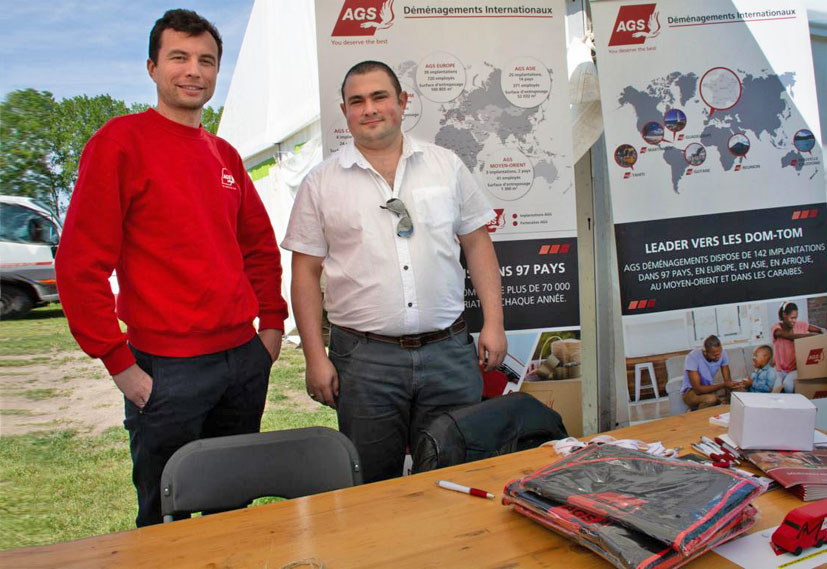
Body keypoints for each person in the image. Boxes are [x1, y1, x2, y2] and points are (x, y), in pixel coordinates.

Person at [55, 9, 287, 527]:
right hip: (165, 368)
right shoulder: (119, 142)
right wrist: (120, 365)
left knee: (232, 508)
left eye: (206, 60)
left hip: (242, 362)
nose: (193, 70)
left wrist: (270, 327)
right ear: (152, 68)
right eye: (178, 57)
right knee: (165, 516)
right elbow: (79, 264)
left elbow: (258, 248)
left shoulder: (224, 154)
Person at [283, 60, 507, 483]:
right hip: (365, 363)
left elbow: (477, 243)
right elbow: (305, 273)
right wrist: (314, 356)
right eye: (357, 101)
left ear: (403, 102)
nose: (369, 108)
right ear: (345, 111)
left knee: (454, 477)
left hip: (449, 355)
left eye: (379, 97)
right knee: (370, 486)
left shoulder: (447, 166)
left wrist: (494, 323)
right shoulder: (321, 183)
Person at [772, 302, 826, 393]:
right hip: (780, 371)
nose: (794, 320)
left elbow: (819, 329)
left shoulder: (800, 325)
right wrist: (811, 336)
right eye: (792, 318)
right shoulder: (776, 328)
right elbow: (791, 336)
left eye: (796, 318)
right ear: (784, 315)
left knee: (787, 385)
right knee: (775, 390)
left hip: (795, 369)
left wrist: (823, 332)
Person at [681, 335, 740, 410]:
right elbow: (698, 390)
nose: (719, 357)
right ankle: (698, 418)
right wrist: (723, 385)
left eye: (720, 353)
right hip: (690, 392)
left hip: (708, 390)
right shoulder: (693, 357)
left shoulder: (721, 354)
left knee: (738, 392)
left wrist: (727, 400)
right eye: (715, 355)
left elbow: (728, 381)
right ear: (705, 352)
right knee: (711, 399)